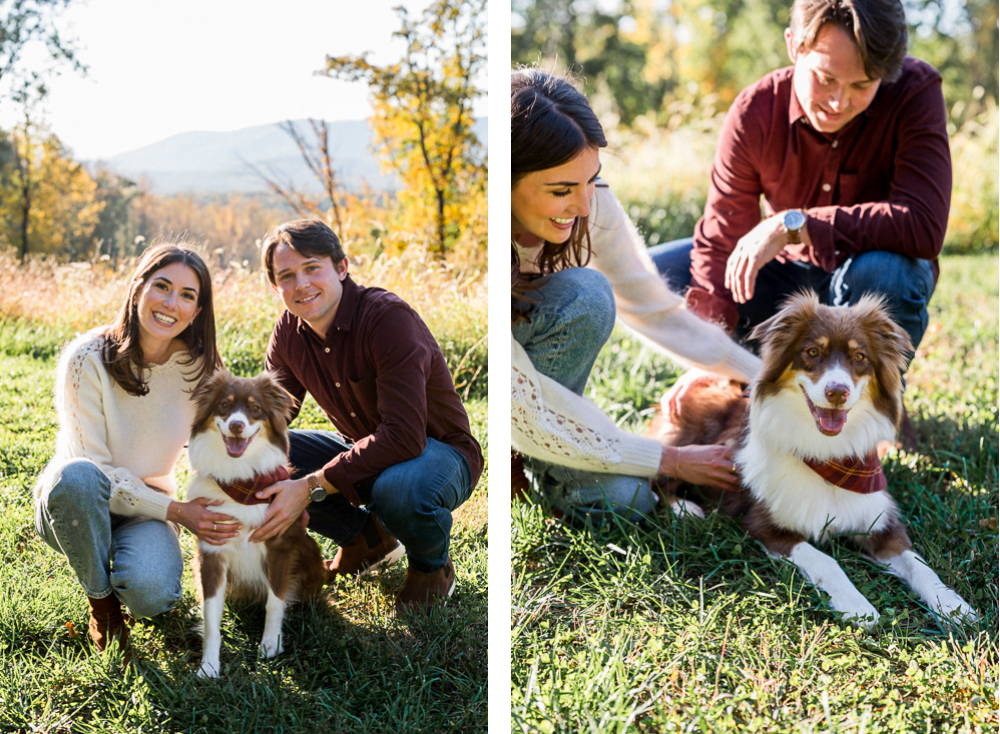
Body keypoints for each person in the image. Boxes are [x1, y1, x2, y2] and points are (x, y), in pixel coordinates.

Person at [511, 69, 762, 523]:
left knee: (586, 294)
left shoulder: (590, 206)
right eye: (562, 190)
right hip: (511, 392)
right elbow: (519, 402)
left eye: (592, 180)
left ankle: (552, 459)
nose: (585, 206)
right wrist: (671, 461)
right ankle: (539, 464)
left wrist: (762, 376)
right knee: (629, 503)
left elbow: (658, 311)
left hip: (546, 393)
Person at [652, 0, 946, 368]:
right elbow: (721, 242)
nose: (839, 102)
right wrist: (705, 358)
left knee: (886, 273)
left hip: (866, 274)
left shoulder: (915, 91)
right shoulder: (754, 111)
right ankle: (746, 371)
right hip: (785, 280)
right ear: (794, 46)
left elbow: (922, 225)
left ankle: (871, 405)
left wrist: (795, 225)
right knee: (658, 273)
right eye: (826, 78)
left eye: (862, 84)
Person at [248, 219, 483, 614]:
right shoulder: (289, 331)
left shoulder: (387, 318)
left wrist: (307, 487)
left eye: (312, 268)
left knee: (398, 489)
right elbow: (273, 415)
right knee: (262, 451)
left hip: (439, 455)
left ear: (341, 267)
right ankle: (366, 541)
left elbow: (405, 438)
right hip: (367, 450)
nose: (301, 284)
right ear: (276, 287)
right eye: (286, 276)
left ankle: (431, 567)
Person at [34, 244, 230, 657]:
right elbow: (95, 472)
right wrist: (178, 512)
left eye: (187, 295)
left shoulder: (203, 369)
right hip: (77, 502)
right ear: (137, 288)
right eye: (161, 286)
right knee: (78, 476)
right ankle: (101, 603)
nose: (170, 303)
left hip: (146, 511)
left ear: (197, 310)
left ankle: (127, 571)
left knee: (152, 596)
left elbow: (227, 447)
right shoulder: (86, 358)